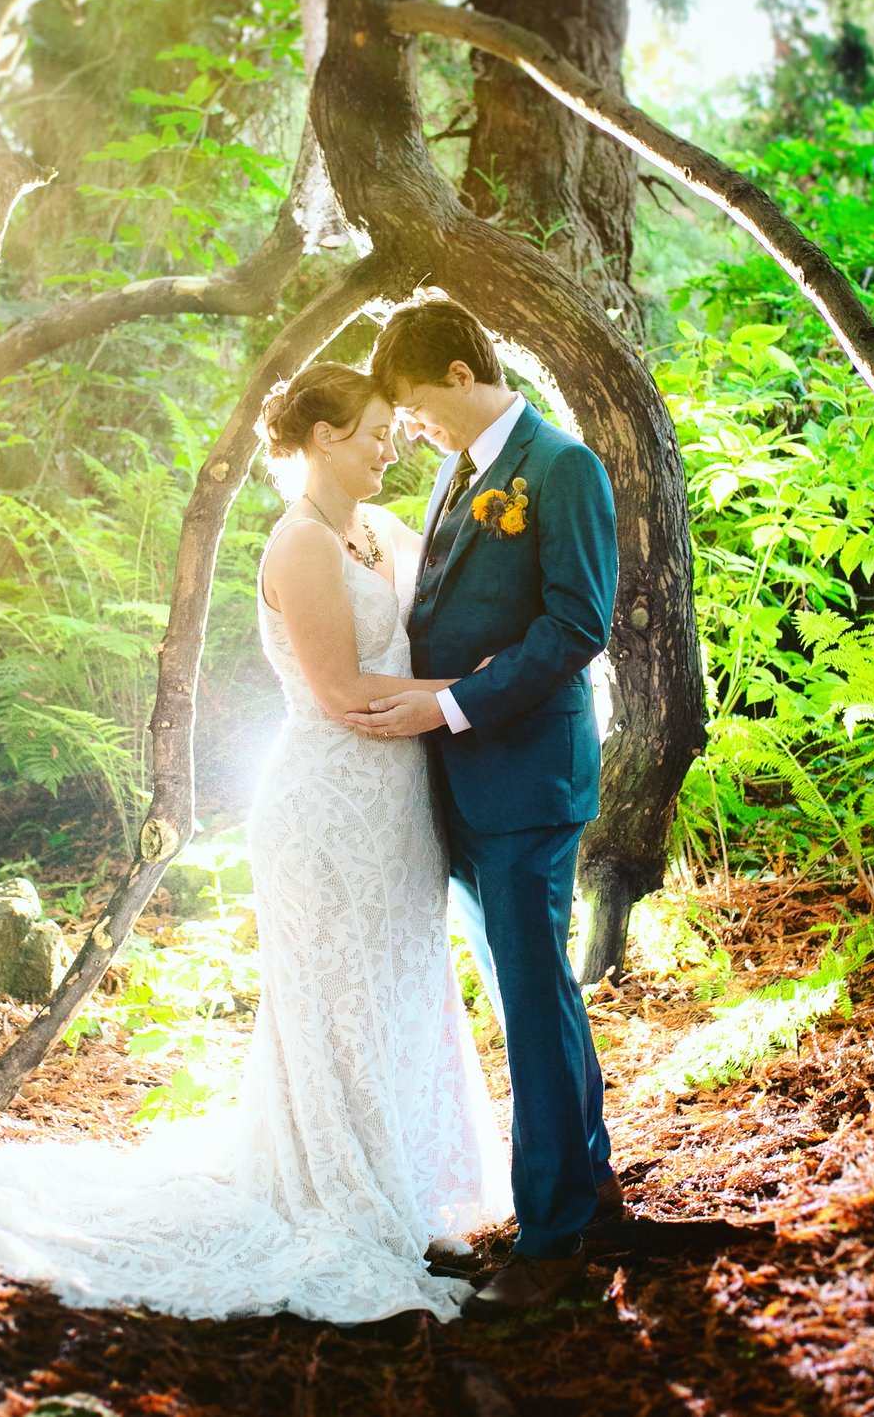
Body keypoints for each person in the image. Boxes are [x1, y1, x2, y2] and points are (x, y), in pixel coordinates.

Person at [0, 361, 507, 1324]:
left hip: (400, 809)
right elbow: (344, 697)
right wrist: (469, 700)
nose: (390, 446)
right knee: (334, 1003)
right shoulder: (301, 545)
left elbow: (433, 636)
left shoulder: (384, 531)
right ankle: (343, 1196)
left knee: (397, 988)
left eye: (394, 431)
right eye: (371, 431)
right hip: (323, 812)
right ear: (321, 438)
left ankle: (402, 1182)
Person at [349, 298, 626, 1319]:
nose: (414, 427)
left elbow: (574, 624)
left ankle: (552, 1240)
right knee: (530, 997)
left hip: (525, 777)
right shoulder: (455, 474)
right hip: (460, 783)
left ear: (462, 372)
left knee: (531, 992)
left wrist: (453, 702)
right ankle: (588, 1185)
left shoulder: (562, 467)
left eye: (419, 406)